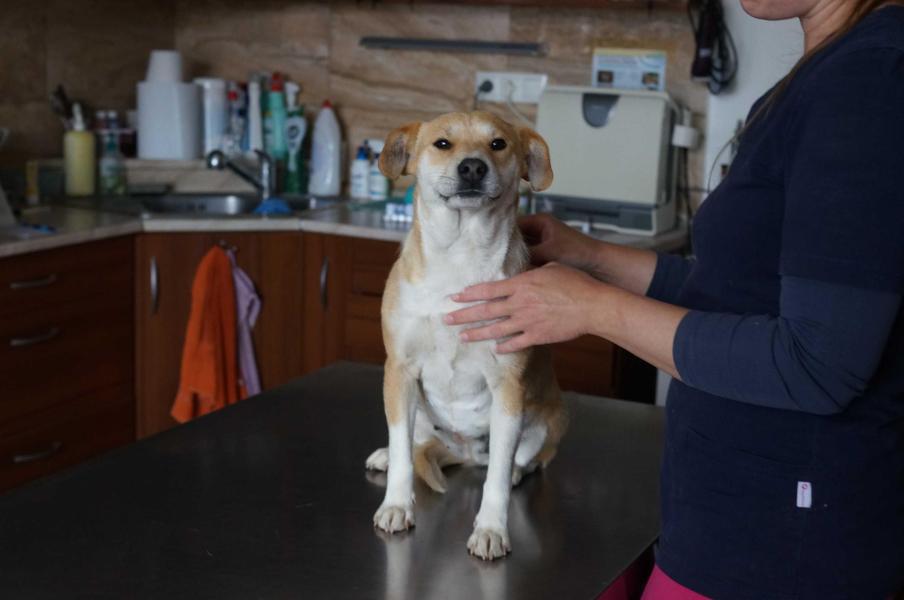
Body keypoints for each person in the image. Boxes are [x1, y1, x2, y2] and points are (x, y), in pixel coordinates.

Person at [444, 1, 904, 598]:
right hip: (730, 517)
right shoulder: (826, 71)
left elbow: (816, 364)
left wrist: (593, 308)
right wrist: (591, 256)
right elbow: (738, 294)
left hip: (782, 549)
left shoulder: (869, 77)